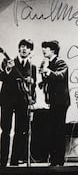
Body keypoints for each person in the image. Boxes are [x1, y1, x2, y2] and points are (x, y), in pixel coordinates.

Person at [0, 39, 36, 167]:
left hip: (23, 102)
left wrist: (31, 81)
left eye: (27, 47)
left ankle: (15, 161)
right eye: (21, 47)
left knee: (20, 131)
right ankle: (2, 161)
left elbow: (33, 87)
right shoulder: (7, 61)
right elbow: (1, 77)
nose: (24, 49)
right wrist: (8, 69)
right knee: (5, 130)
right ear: (18, 49)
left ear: (30, 50)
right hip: (7, 100)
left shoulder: (32, 67)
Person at [39, 40, 70, 166]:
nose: (43, 50)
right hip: (53, 102)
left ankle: (59, 160)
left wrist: (47, 71)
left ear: (52, 50)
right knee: (52, 130)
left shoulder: (60, 62)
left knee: (59, 130)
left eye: (45, 48)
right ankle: (53, 160)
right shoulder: (48, 63)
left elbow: (60, 76)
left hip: (61, 102)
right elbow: (49, 79)